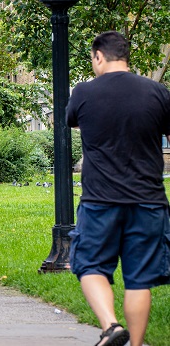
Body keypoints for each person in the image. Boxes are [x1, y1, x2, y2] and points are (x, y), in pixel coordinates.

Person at [66, 31, 170, 346]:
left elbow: (71, 120)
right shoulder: (157, 92)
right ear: (126, 56)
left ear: (99, 56)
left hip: (101, 201)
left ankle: (111, 327)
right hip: (149, 201)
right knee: (140, 279)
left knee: (90, 264)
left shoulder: (83, 93)